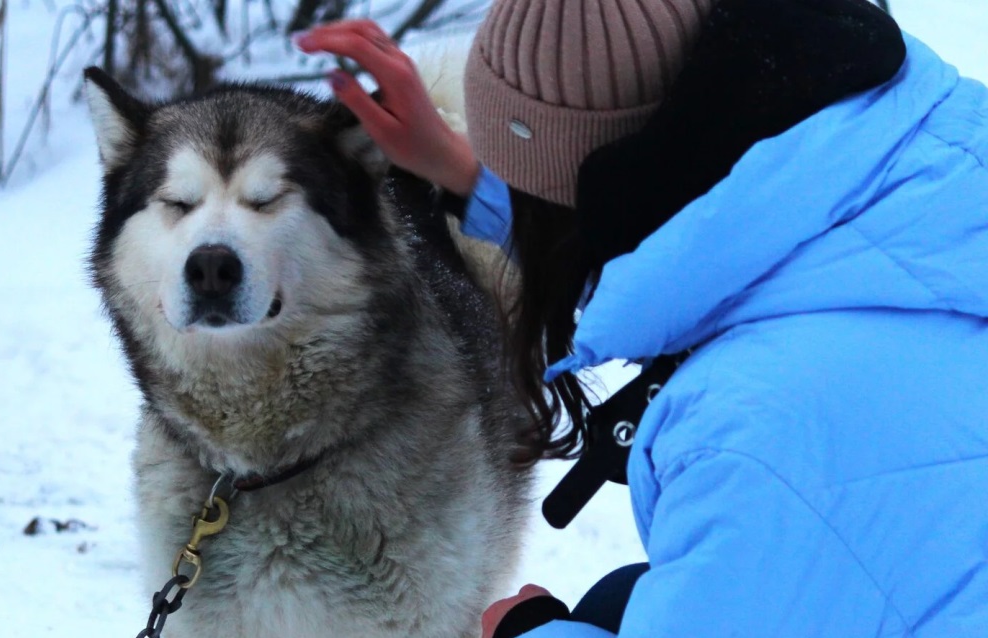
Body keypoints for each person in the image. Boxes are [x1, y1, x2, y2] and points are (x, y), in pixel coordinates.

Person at [296, 0, 988, 636]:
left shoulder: (744, 433)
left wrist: (527, 632)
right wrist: (463, 170)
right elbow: (693, 247)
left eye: (545, 211)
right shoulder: (900, 161)